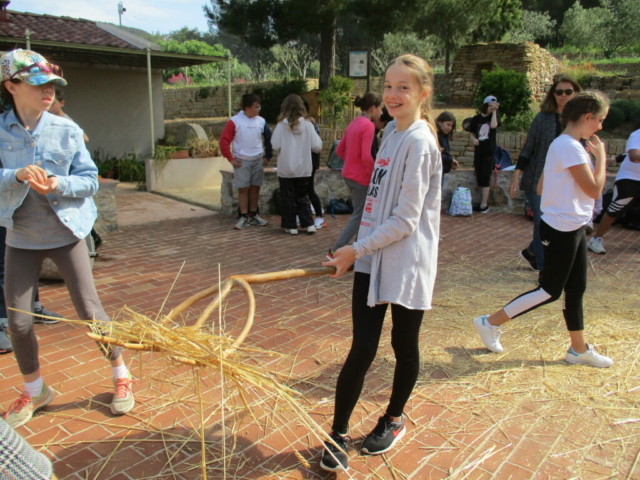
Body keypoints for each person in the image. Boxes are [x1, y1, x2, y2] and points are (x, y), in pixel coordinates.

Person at [0, 49, 135, 428]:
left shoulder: (67, 129)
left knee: (91, 311)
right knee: (19, 322)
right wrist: (16, 176)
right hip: (21, 237)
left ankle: (121, 374)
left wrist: (59, 183)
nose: (49, 92)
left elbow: (90, 180)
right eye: (38, 83)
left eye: (53, 86)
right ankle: (35, 389)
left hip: (68, 233)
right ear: (11, 86)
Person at [320, 54, 442, 472]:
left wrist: (359, 248)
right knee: (362, 349)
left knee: (403, 345)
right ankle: (337, 432)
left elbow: (407, 219)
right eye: (388, 85)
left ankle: (393, 417)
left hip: (407, 262)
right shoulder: (388, 132)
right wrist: (354, 248)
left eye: (403, 87)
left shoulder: (421, 142)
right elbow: (374, 203)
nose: (392, 94)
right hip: (372, 260)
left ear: (423, 93)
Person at [472, 91, 613, 369]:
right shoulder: (571, 148)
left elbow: (540, 187)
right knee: (549, 290)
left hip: (568, 226)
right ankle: (489, 322)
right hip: (562, 228)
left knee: (576, 288)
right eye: (599, 120)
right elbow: (595, 189)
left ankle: (578, 348)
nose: (600, 127)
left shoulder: (563, 144)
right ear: (587, 117)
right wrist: (602, 158)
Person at [510, 76, 581, 271]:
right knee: (541, 222)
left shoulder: (579, 121)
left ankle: (532, 251)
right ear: (553, 95)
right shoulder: (543, 118)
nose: (563, 95)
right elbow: (528, 148)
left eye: (568, 92)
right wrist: (516, 175)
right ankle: (544, 268)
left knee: (554, 223)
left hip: (565, 181)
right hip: (537, 179)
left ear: (576, 94)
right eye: (559, 92)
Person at [327, 92, 383, 259]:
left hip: (349, 175)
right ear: (373, 108)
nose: (381, 112)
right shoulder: (368, 126)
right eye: (380, 108)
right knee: (360, 216)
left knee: (363, 215)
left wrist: (352, 162)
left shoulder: (354, 122)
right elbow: (366, 156)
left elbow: (339, 150)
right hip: (361, 178)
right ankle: (334, 251)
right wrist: (375, 174)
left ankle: (360, 249)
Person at [271, 94, 322, 235]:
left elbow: (274, 145)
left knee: (288, 198)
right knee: (303, 196)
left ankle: (291, 225)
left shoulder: (281, 126)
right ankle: (309, 224)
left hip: (286, 168)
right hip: (304, 168)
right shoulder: (307, 125)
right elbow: (317, 146)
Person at [220, 93, 273, 230]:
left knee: (255, 188)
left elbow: (268, 138)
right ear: (248, 108)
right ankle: (244, 216)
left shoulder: (261, 121)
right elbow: (224, 141)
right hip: (242, 161)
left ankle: (254, 215)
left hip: (257, 160)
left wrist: (267, 156)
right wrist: (231, 159)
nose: (259, 109)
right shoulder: (235, 121)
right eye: (256, 107)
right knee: (243, 189)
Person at [587, 128, 640, 254]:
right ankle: (595, 239)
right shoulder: (637, 134)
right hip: (629, 178)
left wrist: (616, 159)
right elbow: (633, 155)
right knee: (614, 210)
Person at [469, 95, 500, 213]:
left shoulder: (494, 117)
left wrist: (494, 113)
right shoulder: (476, 119)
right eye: (490, 106)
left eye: (494, 106)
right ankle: (481, 203)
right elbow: (471, 132)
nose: (492, 108)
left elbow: (493, 126)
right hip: (479, 151)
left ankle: (484, 204)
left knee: (486, 176)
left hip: (489, 151)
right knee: (479, 175)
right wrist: (474, 139)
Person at [301, 97, 326, 229]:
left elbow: (315, 143)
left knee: (309, 189)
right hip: (301, 160)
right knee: (301, 190)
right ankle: (302, 215)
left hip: (311, 160)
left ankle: (320, 216)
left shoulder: (311, 123)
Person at [435, 111, 460, 189]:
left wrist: (451, 161)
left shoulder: (444, 136)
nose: (450, 128)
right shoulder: (435, 136)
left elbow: (445, 152)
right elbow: (436, 155)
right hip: (435, 172)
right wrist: (450, 159)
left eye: (451, 126)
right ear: (440, 122)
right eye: (448, 124)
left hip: (441, 171)